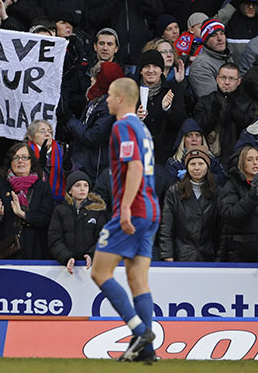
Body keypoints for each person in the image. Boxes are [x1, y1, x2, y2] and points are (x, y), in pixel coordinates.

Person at [90, 78, 160, 362]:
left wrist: (126, 208)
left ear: (120, 98)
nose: (106, 100)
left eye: (108, 95)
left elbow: (134, 167)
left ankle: (139, 330)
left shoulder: (123, 126)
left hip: (135, 207)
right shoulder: (143, 128)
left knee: (99, 272)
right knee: (137, 279)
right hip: (152, 208)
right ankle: (148, 352)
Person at [0, 142, 54, 259]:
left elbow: (46, 220)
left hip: (34, 250)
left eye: (25, 157)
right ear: (10, 162)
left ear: (31, 161)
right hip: (6, 251)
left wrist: (23, 214)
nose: (20, 161)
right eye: (16, 157)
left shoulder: (42, 187)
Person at [158, 146, 221, 261]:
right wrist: (167, 255)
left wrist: (220, 258)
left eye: (201, 164)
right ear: (187, 166)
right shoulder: (174, 192)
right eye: (192, 164)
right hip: (181, 256)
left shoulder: (217, 192)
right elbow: (166, 227)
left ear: (207, 166)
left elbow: (222, 230)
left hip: (209, 257)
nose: (196, 168)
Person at [68, 61, 123, 185]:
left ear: (104, 80)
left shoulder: (111, 106)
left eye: (96, 77)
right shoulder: (95, 100)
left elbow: (92, 137)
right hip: (84, 162)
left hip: (95, 169)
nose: (91, 79)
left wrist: (70, 121)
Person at [191, 62, 255, 167]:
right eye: (223, 77)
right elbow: (198, 129)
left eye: (231, 79)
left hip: (238, 159)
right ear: (217, 79)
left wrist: (234, 108)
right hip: (210, 159)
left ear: (238, 82)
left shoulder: (247, 103)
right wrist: (212, 115)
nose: (226, 82)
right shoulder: (205, 101)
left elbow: (248, 127)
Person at [134, 49, 187, 165]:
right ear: (141, 71)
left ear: (161, 70)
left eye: (155, 66)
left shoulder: (172, 91)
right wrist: (135, 118)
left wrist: (167, 110)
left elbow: (180, 122)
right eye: (146, 66)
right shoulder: (131, 92)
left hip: (164, 156)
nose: (151, 70)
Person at [48, 171, 106, 274]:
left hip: (91, 267)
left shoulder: (97, 211)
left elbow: (102, 239)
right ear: (70, 190)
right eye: (77, 185)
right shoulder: (60, 210)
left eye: (86, 185)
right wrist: (66, 257)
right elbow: (54, 239)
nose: (82, 188)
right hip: (64, 268)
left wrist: (92, 255)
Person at [166, 118, 227, 186]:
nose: (194, 139)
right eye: (189, 135)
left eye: (197, 135)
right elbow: (169, 188)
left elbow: (223, 181)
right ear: (183, 139)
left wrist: (203, 177)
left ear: (202, 139)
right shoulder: (174, 163)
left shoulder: (213, 160)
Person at [25, 119, 70, 203]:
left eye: (50, 132)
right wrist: (39, 164)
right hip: (32, 197)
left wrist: (69, 167)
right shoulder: (24, 151)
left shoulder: (62, 150)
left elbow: (73, 177)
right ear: (30, 136)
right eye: (42, 131)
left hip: (57, 200)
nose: (47, 134)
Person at [189, 18, 235, 98]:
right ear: (205, 40)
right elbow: (211, 101)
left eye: (222, 33)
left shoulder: (227, 56)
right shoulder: (200, 65)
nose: (220, 38)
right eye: (213, 35)